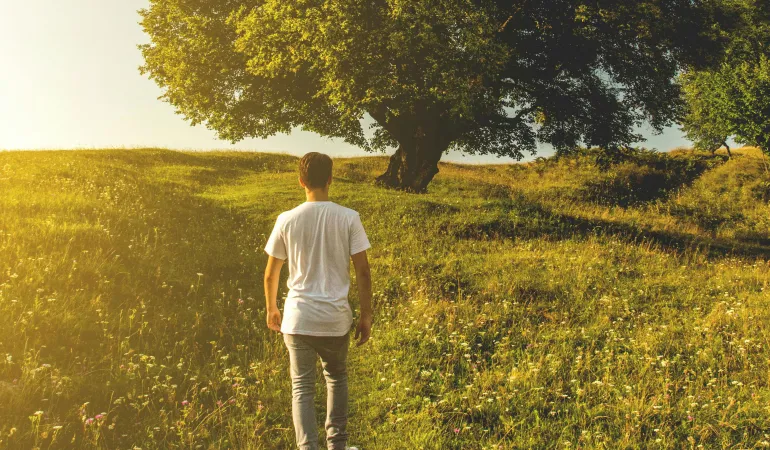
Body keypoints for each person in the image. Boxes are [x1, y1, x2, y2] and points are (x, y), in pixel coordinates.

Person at [263, 151, 373, 450]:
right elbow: (362, 271)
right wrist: (366, 315)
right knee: (336, 378)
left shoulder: (286, 219)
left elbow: (272, 273)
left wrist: (272, 308)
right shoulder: (348, 217)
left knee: (302, 388)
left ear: (301, 181)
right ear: (330, 179)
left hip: (297, 318)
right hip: (334, 318)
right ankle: (337, 445)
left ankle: (307, 447)